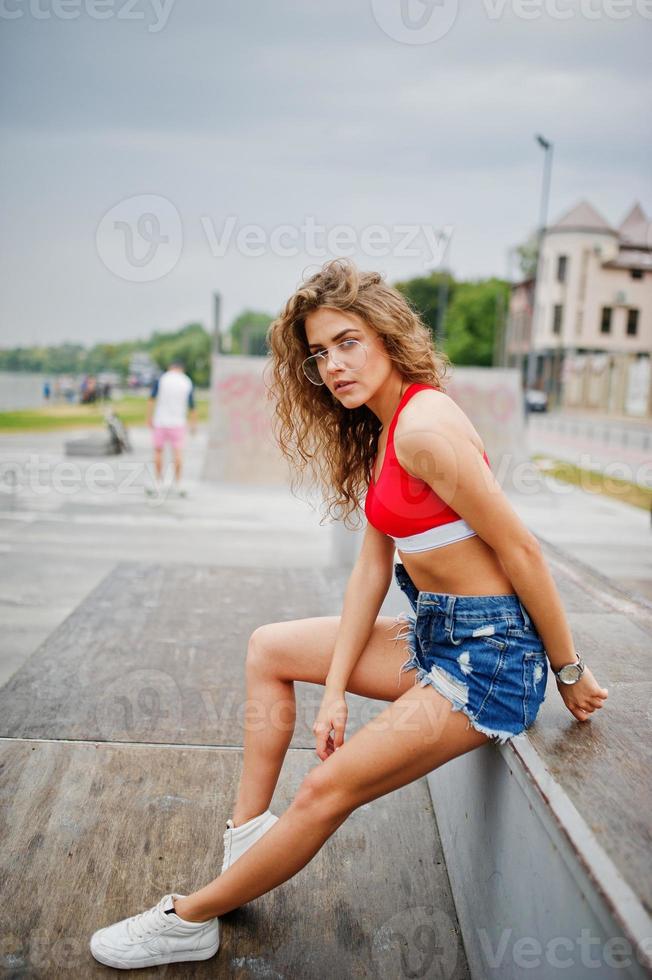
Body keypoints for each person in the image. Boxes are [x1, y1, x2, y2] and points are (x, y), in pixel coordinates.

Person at [90, 258, 609, 969]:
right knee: (269, 649)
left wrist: (568, 668)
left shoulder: (424, 428)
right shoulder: (385, 427)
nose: (333, 365)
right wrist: (332, 690)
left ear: (388, 336)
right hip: (439, 635)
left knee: (328, 787)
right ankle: (247, 842)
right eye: (319, 353)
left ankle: (190, 917)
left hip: (492, 664)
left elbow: (520, 548)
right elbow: (371, 568)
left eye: (347, 341)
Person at [145, 360, 198, 498]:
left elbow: (151, 399)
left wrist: (149, 417)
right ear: (182, 369)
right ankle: (178, 484)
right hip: (178, 422)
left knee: (158, 451)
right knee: (178, 454)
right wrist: (193, 424)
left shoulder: (162, 379)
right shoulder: (186, 381)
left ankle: (158, 482)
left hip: (161, 421)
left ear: (170, 367)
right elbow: (192, 405)